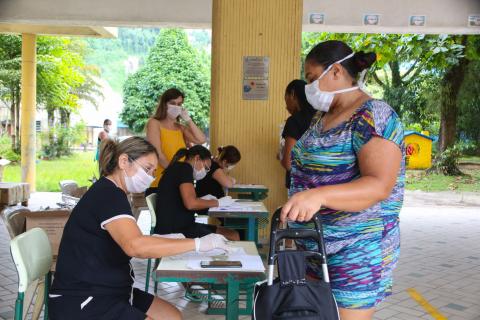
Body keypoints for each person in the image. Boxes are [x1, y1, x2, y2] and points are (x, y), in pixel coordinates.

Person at [280, 40, 405, 320]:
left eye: (312, 78)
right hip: (314, 243)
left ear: (336, 72)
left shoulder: (374, 115)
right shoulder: (322, 118)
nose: (309, 87)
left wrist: (319, 196)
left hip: (356, 246)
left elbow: (379, 184)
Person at [49, 137, 229, 320]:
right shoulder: (107, 194)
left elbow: (135, 239)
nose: (150, 177)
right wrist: (197, 244)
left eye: (153, 172)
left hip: (113, 289)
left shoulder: (115, 192)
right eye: (147, 169)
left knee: (172, 316)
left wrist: (175, 239)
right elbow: (135, 246)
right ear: (124, 161)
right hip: (84, 297)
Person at [154, 145, 240, 241]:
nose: (206, 172)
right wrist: (219, 202)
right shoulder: (184, 169)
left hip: (181, 225)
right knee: (233, 235)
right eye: (206, 167)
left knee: (232, 233)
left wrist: (204, 200)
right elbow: (191, 204)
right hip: (177, 231)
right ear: (197, 158)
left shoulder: (179, 168)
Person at [145, 88, 206, 195]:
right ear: (164, 104)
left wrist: (188, 119)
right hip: (161, 182)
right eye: (172, 103)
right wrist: (176, 175)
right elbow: (158, 154)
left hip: (179, 183)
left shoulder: (180, 127)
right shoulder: (154, 123)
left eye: (179, 104)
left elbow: (201, 140)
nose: (176, 107)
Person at [279, 80, 316, 189]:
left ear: (292, 94)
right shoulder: (322, 117)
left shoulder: (294, 121)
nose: (286, 105)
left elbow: (288, 163)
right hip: (321, 183)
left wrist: (282, 157)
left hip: (300, 186)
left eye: (285, 98)